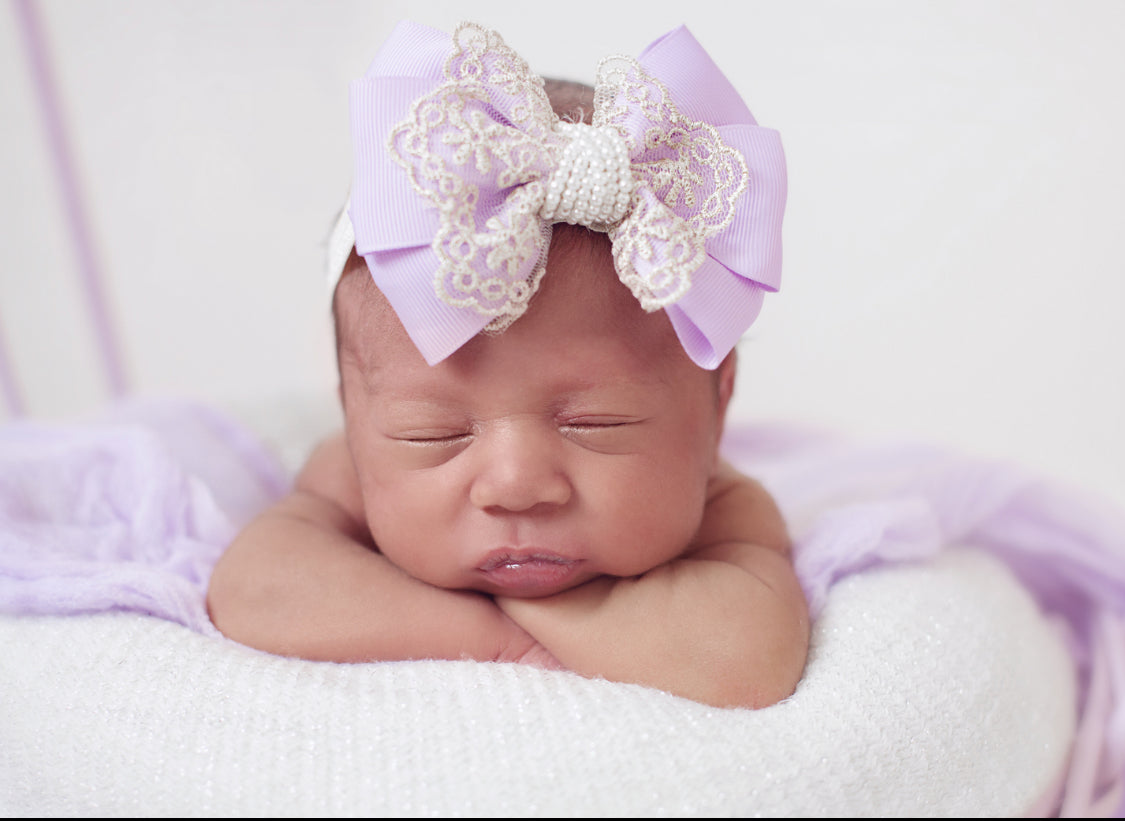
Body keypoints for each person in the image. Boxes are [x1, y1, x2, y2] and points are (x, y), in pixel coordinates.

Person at [206, 20, 809, 710]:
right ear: (352, 413)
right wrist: (500, 640)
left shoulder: (723, 503)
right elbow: (255, 590)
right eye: (430, 432)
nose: (517, 484)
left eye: (595, 422)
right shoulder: (348, 475)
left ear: (717, 403)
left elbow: (743, 659)